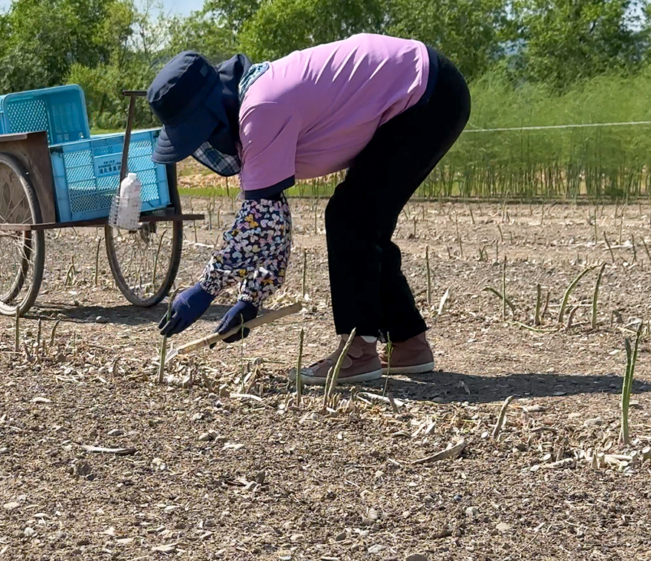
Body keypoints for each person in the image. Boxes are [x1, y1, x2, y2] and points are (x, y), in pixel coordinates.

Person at [149, 34, 471, 383]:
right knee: (360, 218)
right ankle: (407, 342)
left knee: (352, 217)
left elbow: (259, 222)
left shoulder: (260, 110)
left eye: (200, 134)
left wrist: (205, 289)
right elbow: (273, 221)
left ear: (213, 111)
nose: (205, 144)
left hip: (425, 93)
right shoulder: (254, 104)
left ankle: (359, 350)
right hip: (428, 88)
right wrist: (251, 299)